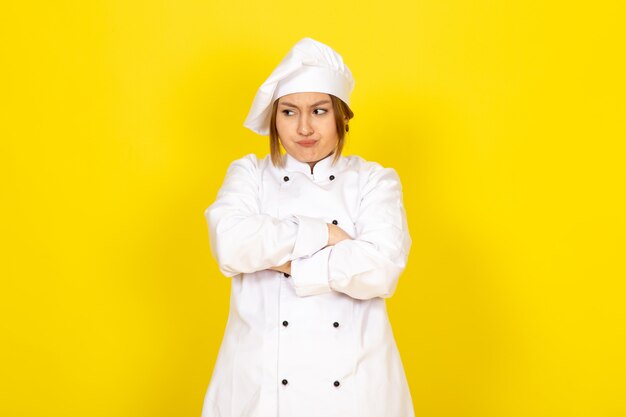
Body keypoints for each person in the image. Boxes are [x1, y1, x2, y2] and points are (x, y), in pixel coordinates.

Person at [201, 37, 414, 417]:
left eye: (318, 111)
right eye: (288, 112)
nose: (303, 127)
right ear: (274, 118)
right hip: (261, 388)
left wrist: (283, 261)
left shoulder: (374, 181)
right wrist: (328, 237)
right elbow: (231, 244)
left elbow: (380, 270)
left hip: (356, 389)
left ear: (341, 115)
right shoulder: (249, 174)